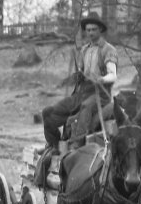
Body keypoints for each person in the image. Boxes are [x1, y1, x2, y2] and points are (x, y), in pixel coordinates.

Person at [41, 11, 119, 153]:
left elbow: (113, 75)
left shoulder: (108, 50)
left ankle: (76, 144)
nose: (90, 33)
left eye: (94, 29)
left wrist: (101, 79)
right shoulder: (84, 50)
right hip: (81, 93)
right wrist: (77, 76)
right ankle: (55, 146)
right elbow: (82, 72)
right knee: (48, 113)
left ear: (100, 30)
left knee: (86, 107)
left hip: (100, 95)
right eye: (88, 30)